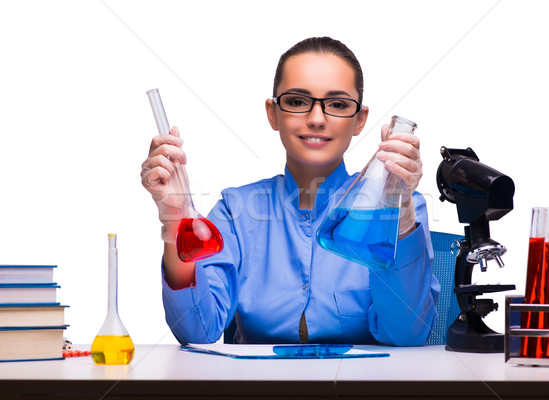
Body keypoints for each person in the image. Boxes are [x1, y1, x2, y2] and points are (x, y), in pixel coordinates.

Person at [141, 37, 440, 346]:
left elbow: (408, 334)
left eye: (337, 104)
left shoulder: (401, 207)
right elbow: (196, 329)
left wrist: (398, 211)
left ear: (359, 119)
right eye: (297, 102)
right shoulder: (236, 211)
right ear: (273, 113)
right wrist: (176, 220)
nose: (316, 119)